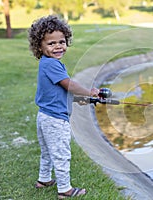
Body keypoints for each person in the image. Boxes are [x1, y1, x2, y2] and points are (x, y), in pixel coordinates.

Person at [28, 15, 99, 199]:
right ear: (40, 46)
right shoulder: (52, 64)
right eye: (51, 43)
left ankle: (43, 179)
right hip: (56, 120)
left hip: (44, 116)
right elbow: (69, 85)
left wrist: (86, 99)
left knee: (48, 152)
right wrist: (89, 92)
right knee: (61, 154)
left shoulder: (47, 63)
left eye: (62, 41)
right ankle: (65, 190)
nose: (58, 46)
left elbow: (59, 94)